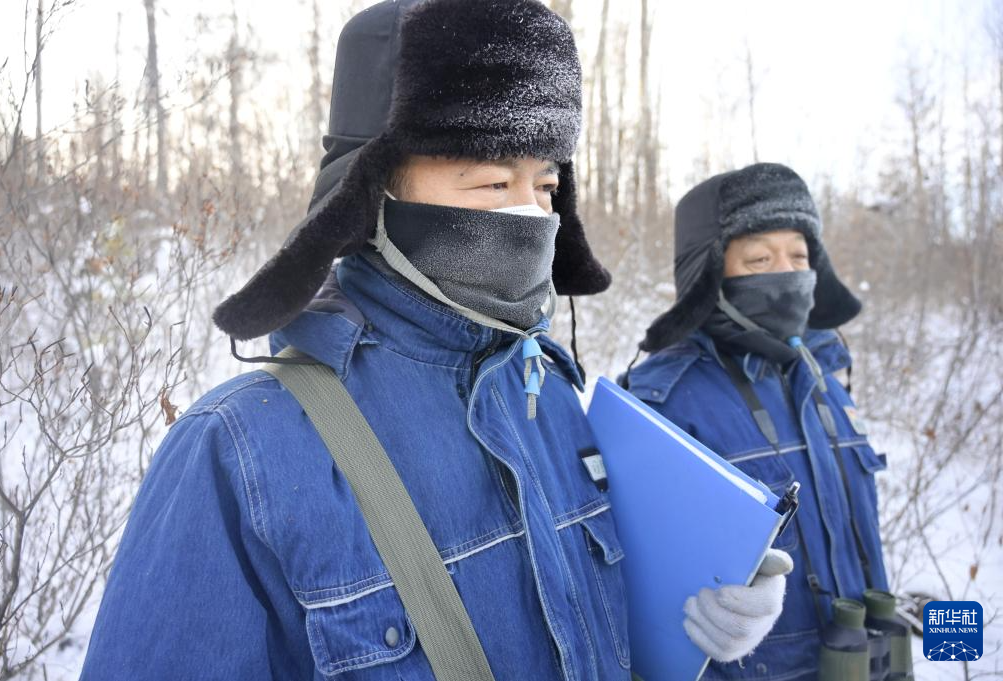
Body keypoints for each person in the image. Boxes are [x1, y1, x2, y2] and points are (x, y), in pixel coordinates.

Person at [81, 3, 787, 678]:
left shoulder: (548, 399)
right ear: (376, 187)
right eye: (490, 181)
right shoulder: (240, 452)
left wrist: (710, 616)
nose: (528, 214)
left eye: (544, 186)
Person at [623, 163, 890, 680]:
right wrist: (713, 627)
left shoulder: (824, 378)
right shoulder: (662, 404)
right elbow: (637, 604)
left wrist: (956, 654)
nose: (787, 273)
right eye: (760, 258)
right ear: (710, 273)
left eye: (799, 255)